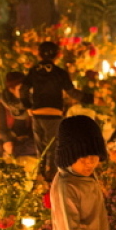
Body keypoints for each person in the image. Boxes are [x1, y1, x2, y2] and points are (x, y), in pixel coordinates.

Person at [20, 41, 74, 178]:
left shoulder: (33, 71)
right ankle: (53, 179)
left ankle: (40, 177)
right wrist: (92, 98)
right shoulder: (60, 73)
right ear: (57, 55)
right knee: (54, 147)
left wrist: (27, 106)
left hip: (38, 112)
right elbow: (72, 92)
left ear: (39, 54)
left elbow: (23, 89)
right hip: (54, 113)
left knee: (40, 148)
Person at [0, 71, 36, 169]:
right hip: (12, 138)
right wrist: (7, 141)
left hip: (28, 140)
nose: (24, 92)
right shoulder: (3, 103)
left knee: (38, 147)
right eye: (20, 89)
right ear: (11, 90)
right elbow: (2, 127)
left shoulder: (31, 100)